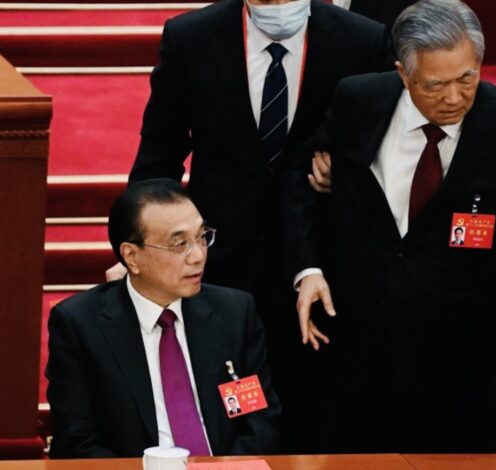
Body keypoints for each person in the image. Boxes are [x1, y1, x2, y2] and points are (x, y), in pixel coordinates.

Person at [284, 0, 496, 452]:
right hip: (355, 351)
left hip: (461, 368)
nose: (454, 98)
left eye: (467, 79)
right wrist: (309, 268)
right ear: (403, 74)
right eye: (435, 85)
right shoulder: (358, 101)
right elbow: (300, 179)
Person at [112, 0, 394, 452]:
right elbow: (158, 156)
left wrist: (345, 175)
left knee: (313, 417)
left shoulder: (362, 40)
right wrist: (136, 245)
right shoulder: (191, 38)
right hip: (217, 262)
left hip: (320, 267)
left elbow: (388, 149)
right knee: (228, 415)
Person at [47, 179, 281, 458]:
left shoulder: (234, 312)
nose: (198, 256)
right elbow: (76, 440)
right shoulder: (80, 325)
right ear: (131, 256)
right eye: (179, 244)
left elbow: (260, 420)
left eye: (202, 237)